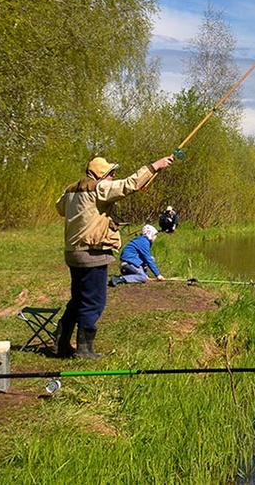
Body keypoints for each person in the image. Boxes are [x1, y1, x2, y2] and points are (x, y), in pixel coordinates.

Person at [54, 154, 174, 359]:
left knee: (78, 298)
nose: (113, 176)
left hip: (73, 253)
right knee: (94, 301)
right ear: (101, 175)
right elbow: (129, 184)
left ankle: (61, 340)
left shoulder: (71, 190)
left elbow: (60, 208)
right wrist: (155, 166)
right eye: (111, 173)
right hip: (93, 253)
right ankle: (84, 350)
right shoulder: (99, 188)